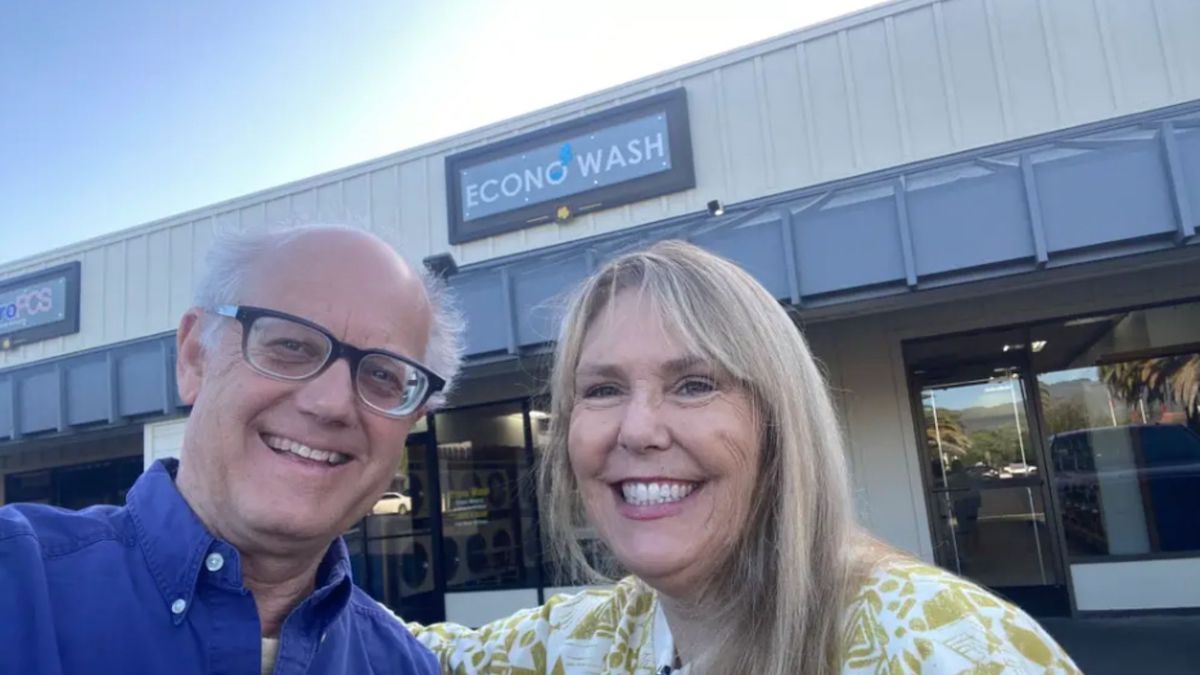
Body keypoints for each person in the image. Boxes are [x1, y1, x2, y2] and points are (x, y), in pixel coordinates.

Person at [407, 240, 1080, 674]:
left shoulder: (948, 646)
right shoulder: (585, 641)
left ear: (777, 422)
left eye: (694, 384)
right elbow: (395, 652)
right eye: (603, 389)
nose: (637, 429)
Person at [0, 224, 463, 674]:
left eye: (383, 375)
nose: (331, 404)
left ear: (412, 420)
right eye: (291, 345)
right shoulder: (17, 585)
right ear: (195, 356)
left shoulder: (403, 664)